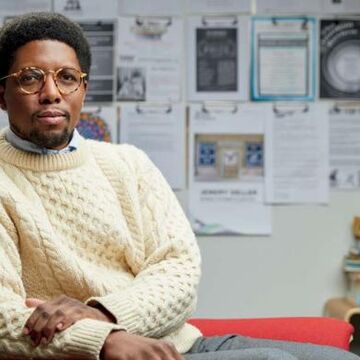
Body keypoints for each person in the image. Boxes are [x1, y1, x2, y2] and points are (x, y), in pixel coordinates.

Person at [0, 12, 358, 360]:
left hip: (177, 342)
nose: (51, 93)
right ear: (2, 94)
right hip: (89, 353)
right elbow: (4, 316)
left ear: (83, 89)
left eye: (66, 77)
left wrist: (105, 315)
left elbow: (179, 271)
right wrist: (102, 340)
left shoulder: (128, 164)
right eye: (30, 78)